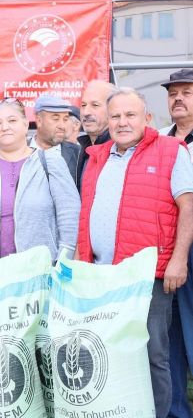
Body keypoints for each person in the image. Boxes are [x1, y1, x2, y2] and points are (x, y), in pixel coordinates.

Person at [77, 87, 193, 418]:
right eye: (115, 116)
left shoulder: (171, 150)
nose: (122, 122)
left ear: (147, 118)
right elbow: (86, 213)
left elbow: (188, 207)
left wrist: (178, 260)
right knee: (109, 354)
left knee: (153, 354)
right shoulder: (97, 156)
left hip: (149, 276)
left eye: (130, 115)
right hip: (103, 274)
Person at [0, 98, 80, 264]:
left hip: (42, 271)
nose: (5, 127)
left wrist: (63, 261)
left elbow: (69, 215)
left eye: (12, 120)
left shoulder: (50, 162)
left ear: (25, 124)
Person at [158, 69, 193, 418]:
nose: (178, 98)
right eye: (173, 93)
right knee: (169, 338)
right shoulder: (159, 140)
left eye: (187, 92)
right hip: (169, 248)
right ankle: (176, 412)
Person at [30, 94, 81, 183]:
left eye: (65, 119)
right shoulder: (17, 151)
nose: (62, 126)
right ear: (39, 121)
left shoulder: (79, 154)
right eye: (55, 119)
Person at [76, 80, 117, 189]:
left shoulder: (122, 150)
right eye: (83, 105)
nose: (86, 112)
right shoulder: (82, 149)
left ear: (113, 109)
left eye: (95, 105)